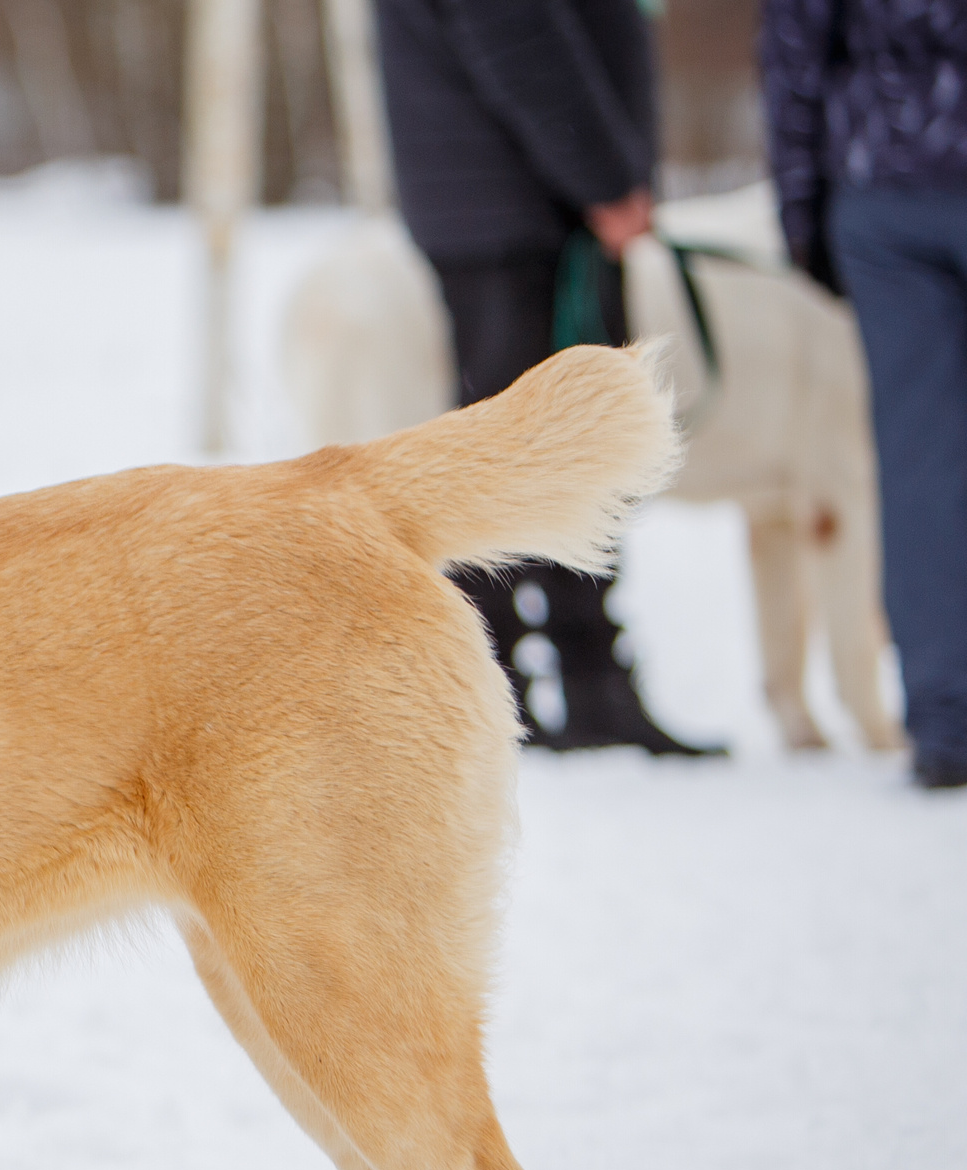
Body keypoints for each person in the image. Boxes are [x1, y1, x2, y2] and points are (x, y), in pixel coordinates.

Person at [376, 0, 721, 755]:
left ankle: (561, 676)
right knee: (519, 459)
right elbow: (516, 31)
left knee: (536, 453)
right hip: (519, 208)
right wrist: (606, 181)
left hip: (511, 204)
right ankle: (508, 685)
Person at [763, 0, 967, 791]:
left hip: (883, 182)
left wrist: (801, 211)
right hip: (889, 194)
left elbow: (793, 48)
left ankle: (948, 718)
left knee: (921, 460)